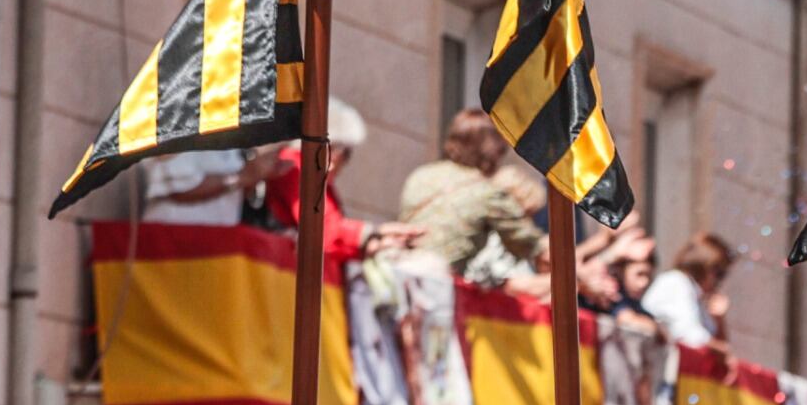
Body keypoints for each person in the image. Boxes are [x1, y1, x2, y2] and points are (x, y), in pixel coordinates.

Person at [396, 109, 549, 280]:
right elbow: (532, 245)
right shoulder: (487, 191)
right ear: (493, 152)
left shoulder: (421, 175)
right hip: (438, 284)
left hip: (397, 271)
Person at [265, 100, 423, 264]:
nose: (345, 162)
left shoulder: (312, 173)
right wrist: (375, 233)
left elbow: (332, 231)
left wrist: (378, 238)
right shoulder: (295, 166)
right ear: (333, 150)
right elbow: (321, 230)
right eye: (346, 153)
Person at [140, 146, 281, 226]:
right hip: (168, 241)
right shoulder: (193, 123)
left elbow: (233, 195)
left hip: (204, 250)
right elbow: (178, 189)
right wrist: (244, 176)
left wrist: (257, 175)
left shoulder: (231, 140)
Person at [642, 232, 734, 349]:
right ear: (704, 266)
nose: (719, 282)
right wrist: (719, 349)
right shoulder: (676, 282)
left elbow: (719, 351)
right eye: (720, 274)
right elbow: (688, 334)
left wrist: (719, 320)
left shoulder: (696, 296)